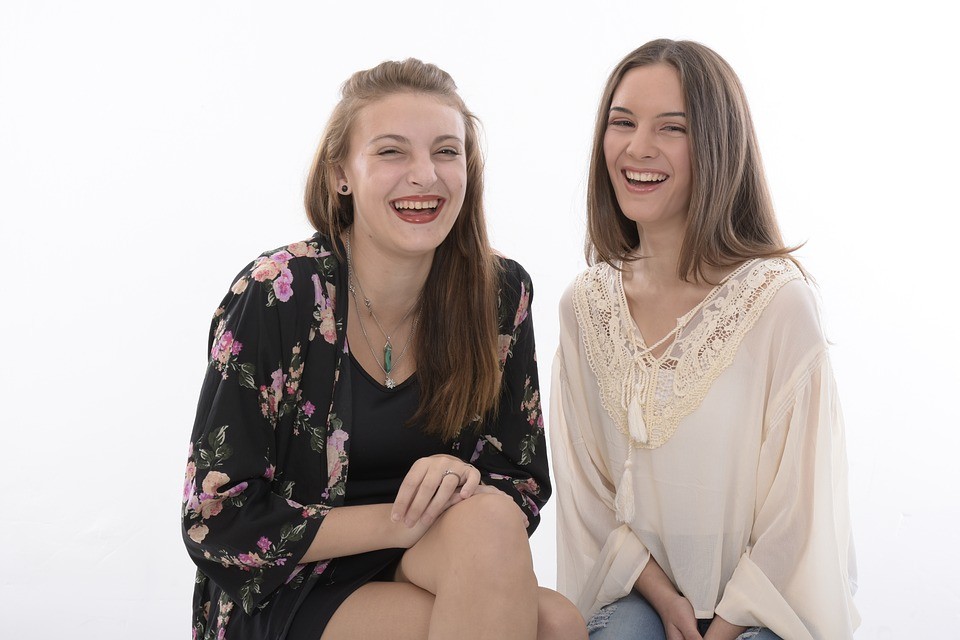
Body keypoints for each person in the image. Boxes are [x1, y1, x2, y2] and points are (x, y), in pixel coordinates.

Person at [181, 58, 585, 640]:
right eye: (393, 152)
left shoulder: (497, 293)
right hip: (287, 581)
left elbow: (518, 480)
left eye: (446, 152)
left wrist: (460, 477)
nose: (425, 175)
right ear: (341, 174)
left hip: (427, 556)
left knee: (529, 573)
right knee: (548, 629)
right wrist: (398, 522)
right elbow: (217, 518)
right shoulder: (277, 293)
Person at [550, 39, 859, 640]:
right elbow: (590, 495)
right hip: (645, 594)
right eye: (623, 122)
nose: (638, 147)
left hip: (766, 607)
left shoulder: (777, 302)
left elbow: (798, 516)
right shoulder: (584, 307)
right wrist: (666, 599)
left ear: (718, 145)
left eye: (673, 128)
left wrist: (720, 629)